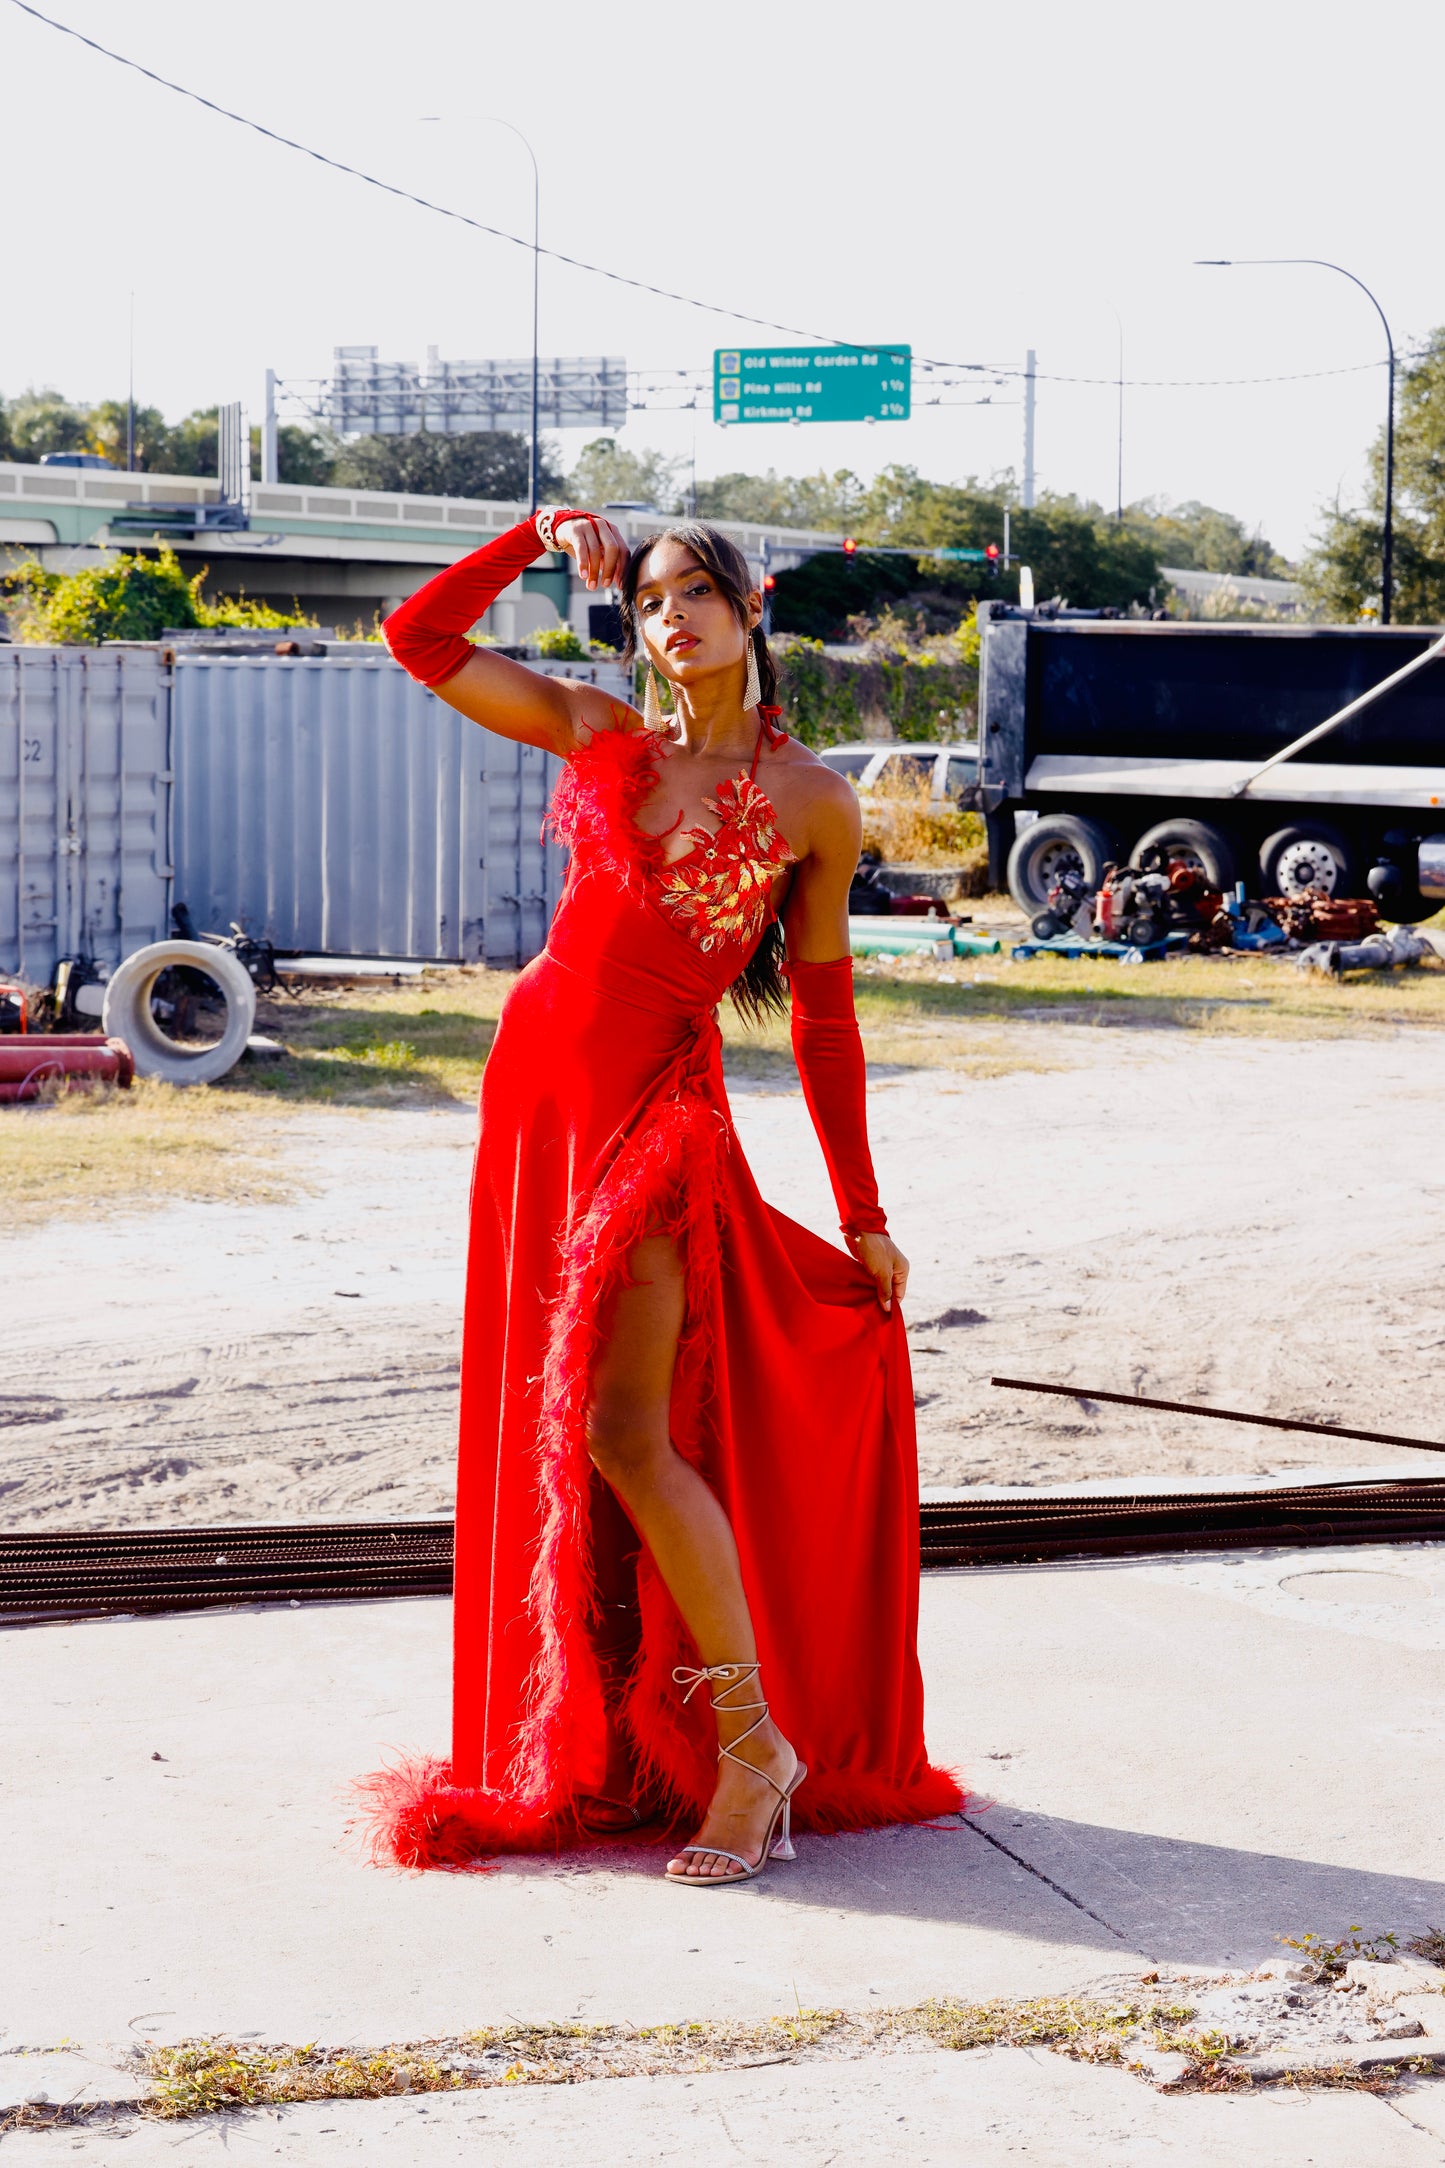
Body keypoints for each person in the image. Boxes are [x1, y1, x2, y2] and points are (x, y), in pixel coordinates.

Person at [363, 507, 960, 1884]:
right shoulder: (598, 737)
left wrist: (861, 1210)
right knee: (561, 1442)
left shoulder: (810, 797)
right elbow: (419, 638)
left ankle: (755, 1750)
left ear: (753, 611)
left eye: (698, 593)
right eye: (647, 600)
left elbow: (822, 1023)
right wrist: (529, 535)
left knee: (630, 1438)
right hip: (535, 1113)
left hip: (652, 1126)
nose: (671, 618)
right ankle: (619, 1750)